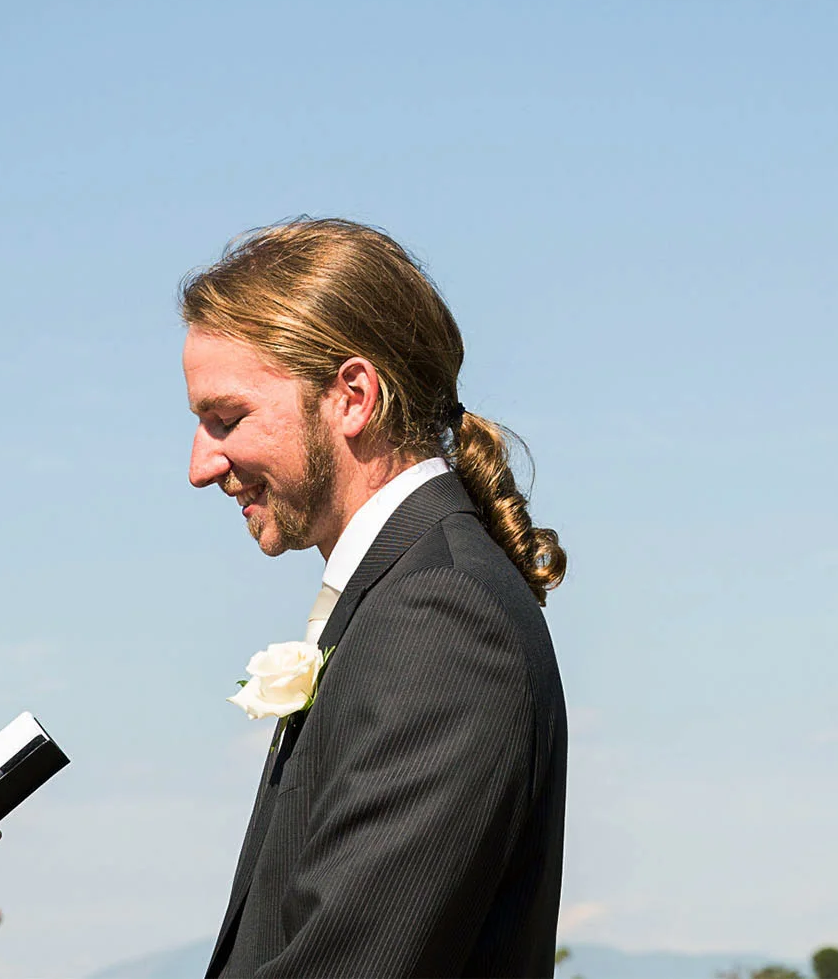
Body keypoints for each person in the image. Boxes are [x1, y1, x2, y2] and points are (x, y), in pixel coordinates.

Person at [181, 220, 569, 979]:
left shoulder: (440, 618)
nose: (201, 465)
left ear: (352, 397)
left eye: (226, 419)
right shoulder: (405, 596)